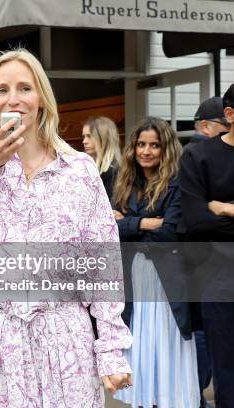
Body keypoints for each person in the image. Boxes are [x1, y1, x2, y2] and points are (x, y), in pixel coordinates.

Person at [0, 49, 132, 408]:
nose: (13, 98)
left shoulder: (79, 170)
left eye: (24, 88)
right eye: (2, 90)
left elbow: (102, 264)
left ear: (42, 99)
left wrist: (110, 348)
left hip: (64, 341)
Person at [111, 117, 199, 408]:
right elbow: (110, 229)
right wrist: (146, 223)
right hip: (135, 275)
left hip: (167, 278)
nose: (146, 151)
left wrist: (130, 225)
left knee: (166, 338)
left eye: (154, 145)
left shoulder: (176, 183)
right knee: (140, 338)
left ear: (165, 149)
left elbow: (171, 231)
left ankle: (167, 400)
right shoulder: (125, 183)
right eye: (141, 144)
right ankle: (145, 400)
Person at [178, 83, 234, 408]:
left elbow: (211, 218)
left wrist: (227, 208)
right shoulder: (198, 156)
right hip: (220, 282)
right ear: (229, 114)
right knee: (226, 374)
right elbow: (197, 222)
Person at [81, 116, 121, 201]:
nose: (84, 141)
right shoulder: (83, 166)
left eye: (89, 136)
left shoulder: (113, 170)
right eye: (84, 136)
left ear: (104, 138)